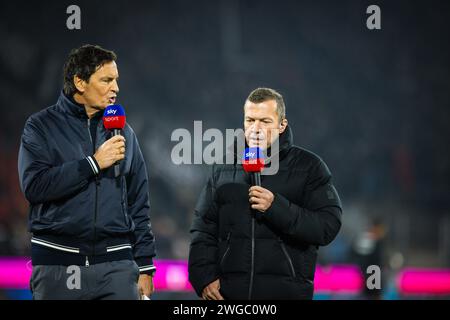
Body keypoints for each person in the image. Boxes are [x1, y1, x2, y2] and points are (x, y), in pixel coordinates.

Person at [18, 44, 156, 300]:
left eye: (116, 80)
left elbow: (139, 201)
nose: (116, 88)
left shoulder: (124, 131)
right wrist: (93, 164)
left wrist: (146, 265)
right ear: (80, 82)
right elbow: (35, 187)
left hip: (117, 265)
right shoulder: (40, 127)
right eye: (106, 80)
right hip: (57, 264)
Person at [188, 88, 342, 300]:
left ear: (282, 125)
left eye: (265, 121)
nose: (256, 128)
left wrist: (276, 207)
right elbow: (202, 229)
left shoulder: (309, 167)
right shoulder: (223, 168)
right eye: (250, 120)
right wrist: (204, 278)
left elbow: (328, 226)